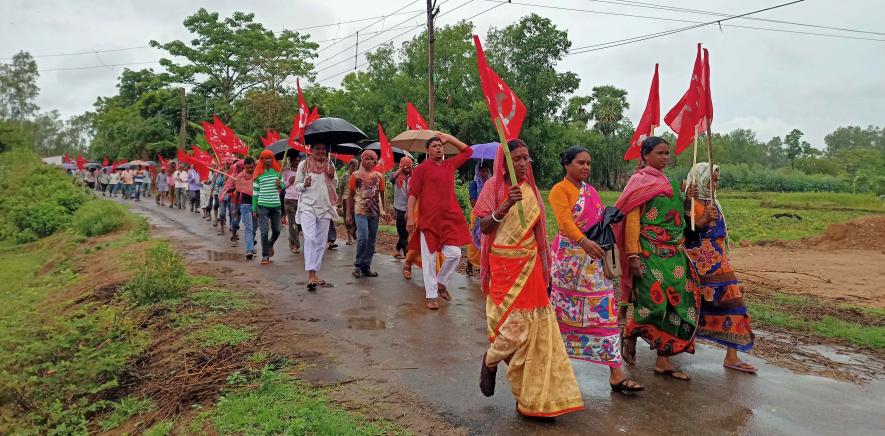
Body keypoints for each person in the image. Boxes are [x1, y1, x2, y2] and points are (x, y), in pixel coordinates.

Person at [474, 139, 584, 418]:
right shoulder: (494, 188)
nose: (523, 163)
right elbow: (484, 227)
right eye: (517, 158)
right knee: (513, 328)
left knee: (534, 336)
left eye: (526, 158)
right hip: (504, 267)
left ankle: (530, 398)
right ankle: (490, 360)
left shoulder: (532, 191)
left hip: (530, 267)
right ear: (506, 162)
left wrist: (546, 271)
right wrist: (504, 206)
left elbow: (539, 236)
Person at [549, 146, 643, 393]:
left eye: (588, 163)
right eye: (580, 163)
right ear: (567, 164)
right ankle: (555, 369)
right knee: (562, 318)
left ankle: (616, 373)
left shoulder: (590, 191)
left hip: (595, 264)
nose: (586, 167)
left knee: (604, 315)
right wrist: (583, 242)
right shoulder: (560, 190)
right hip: (568, 265)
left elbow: (601, 220)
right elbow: (565, 221)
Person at [614, 136, 700, 381]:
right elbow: (631, 221)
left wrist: (687, 198)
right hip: (648, 253)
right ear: (646, 156)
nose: (665, 157)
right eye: (660, 153)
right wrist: (633, 255)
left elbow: (678, 216)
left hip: (675, 254)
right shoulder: (638, 181)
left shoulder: (673, 182)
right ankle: (630, 331)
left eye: (667, 153)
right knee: (655, 304)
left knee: (677, 306)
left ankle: (663, 360)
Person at [684, 163, 756, 373]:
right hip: (697, 267)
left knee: (735, 306)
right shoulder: (688, 202)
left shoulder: (716, 203)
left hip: (721, 268)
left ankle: (732, 357)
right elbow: (688, 231)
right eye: (711, 180)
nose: (715, 184)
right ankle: (670, 350)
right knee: (689, 309)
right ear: (701, 180)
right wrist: (700, 214)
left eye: (717, 180)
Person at [407, 133, 472, 310]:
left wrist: (449, 138)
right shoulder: (421, 169)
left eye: (440, 145)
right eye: (434, 146)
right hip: (428, 221)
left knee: (455, 254)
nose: (438, 147)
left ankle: (441, 282)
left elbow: (468, 151)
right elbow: (412, 194)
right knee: (429, 260)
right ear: (427, 150)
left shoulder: (449, 165)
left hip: (449, 221)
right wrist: (411, 217)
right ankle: (431, 295)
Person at [294, 143, 339, 290]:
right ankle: (311, 274)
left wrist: (332, 176)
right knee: (310, 238)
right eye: (317, 149)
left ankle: (315, 273)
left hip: (325, 207)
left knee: (320, 242)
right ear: (311, 150)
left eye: (323, 149)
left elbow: (335, 185)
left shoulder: (330, 164)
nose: (321, 151)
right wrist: (304, 185)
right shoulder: (304, 164)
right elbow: (297, 185)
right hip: (308, 206)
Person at [347, 150, 388, 278]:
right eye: (367, 159)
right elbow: (350, 195)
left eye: (372, 159)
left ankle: (366, 266)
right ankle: (358, 265)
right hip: (360, 211)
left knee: (371, 241)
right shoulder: (355, 175)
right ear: (362, 160)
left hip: (374, 212)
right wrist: (348, 213)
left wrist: (385, 210)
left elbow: (382, 194)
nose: (369, 161)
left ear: (375, 161)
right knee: (363, 237)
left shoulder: (379, 176)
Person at [252, 150, 283, 265]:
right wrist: (254, 209)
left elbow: (283, 185)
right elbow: (255, 193)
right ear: (262, 160)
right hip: (262, 206)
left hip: (276, 205)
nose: (268, 160)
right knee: (264, 231)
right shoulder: (258, 174)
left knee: (277, 230)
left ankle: (270, 244)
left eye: (270, 158)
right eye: (266, 158)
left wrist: (279, 184)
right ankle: (265, 255)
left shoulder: (278, 172)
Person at [466, 163, 491, 276]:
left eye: (486, 171)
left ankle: (485, 266)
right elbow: (472, 203)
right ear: (478, 171)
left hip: (490, 215)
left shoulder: (492, 183)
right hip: (477, 215)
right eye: (482, 171)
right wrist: (484, 207)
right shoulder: (474, 184)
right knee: (475, 241)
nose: (485, 174)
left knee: (487, 240)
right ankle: (470, 262)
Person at [389, 157, 413, 259]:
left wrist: (411, 170)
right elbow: (391, 178)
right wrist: (402, 168)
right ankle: (407, 254)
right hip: (399, 208)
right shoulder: (396, 178)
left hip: (410, 208)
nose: (407, 168)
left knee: (406, 232)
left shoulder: (412, 178)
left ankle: (397, 250)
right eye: (405, 165)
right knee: (402, 233)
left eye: (409, 166)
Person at [234, 158, 257, 259]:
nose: (250, 169)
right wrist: (235, 208)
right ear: (244, 167)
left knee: (254, 227)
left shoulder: (257, 175)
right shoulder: (240, 176)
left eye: (252, 167)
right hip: (245, 205)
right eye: (248, 168)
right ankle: (249, 250)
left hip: (257, 205)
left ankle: (251, 245)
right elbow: (237, 192)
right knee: (248, 228)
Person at [282, 152, 303, 253]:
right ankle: (296, 245)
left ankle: (292, 239)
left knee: (299, 223)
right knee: (292, 223)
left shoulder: (303, 171)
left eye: (298, 161)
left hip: (301, 200)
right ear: (290, 161)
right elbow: (281, 186)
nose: (297, 163)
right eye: (295, 161)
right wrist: (289, 182)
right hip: (289, 200)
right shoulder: (285, 171)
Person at [339, 159, 360, 245]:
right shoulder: (345, 176)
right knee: (346, 218)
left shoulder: (358, 176)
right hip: (346, 198)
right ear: (350, 166)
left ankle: (353, 232)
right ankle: (349, 238)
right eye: (354, 166)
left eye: (356, 166)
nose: (355, 167)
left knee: (356, 216)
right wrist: (339, 200)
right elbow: (341, 188)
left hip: (356, 199)